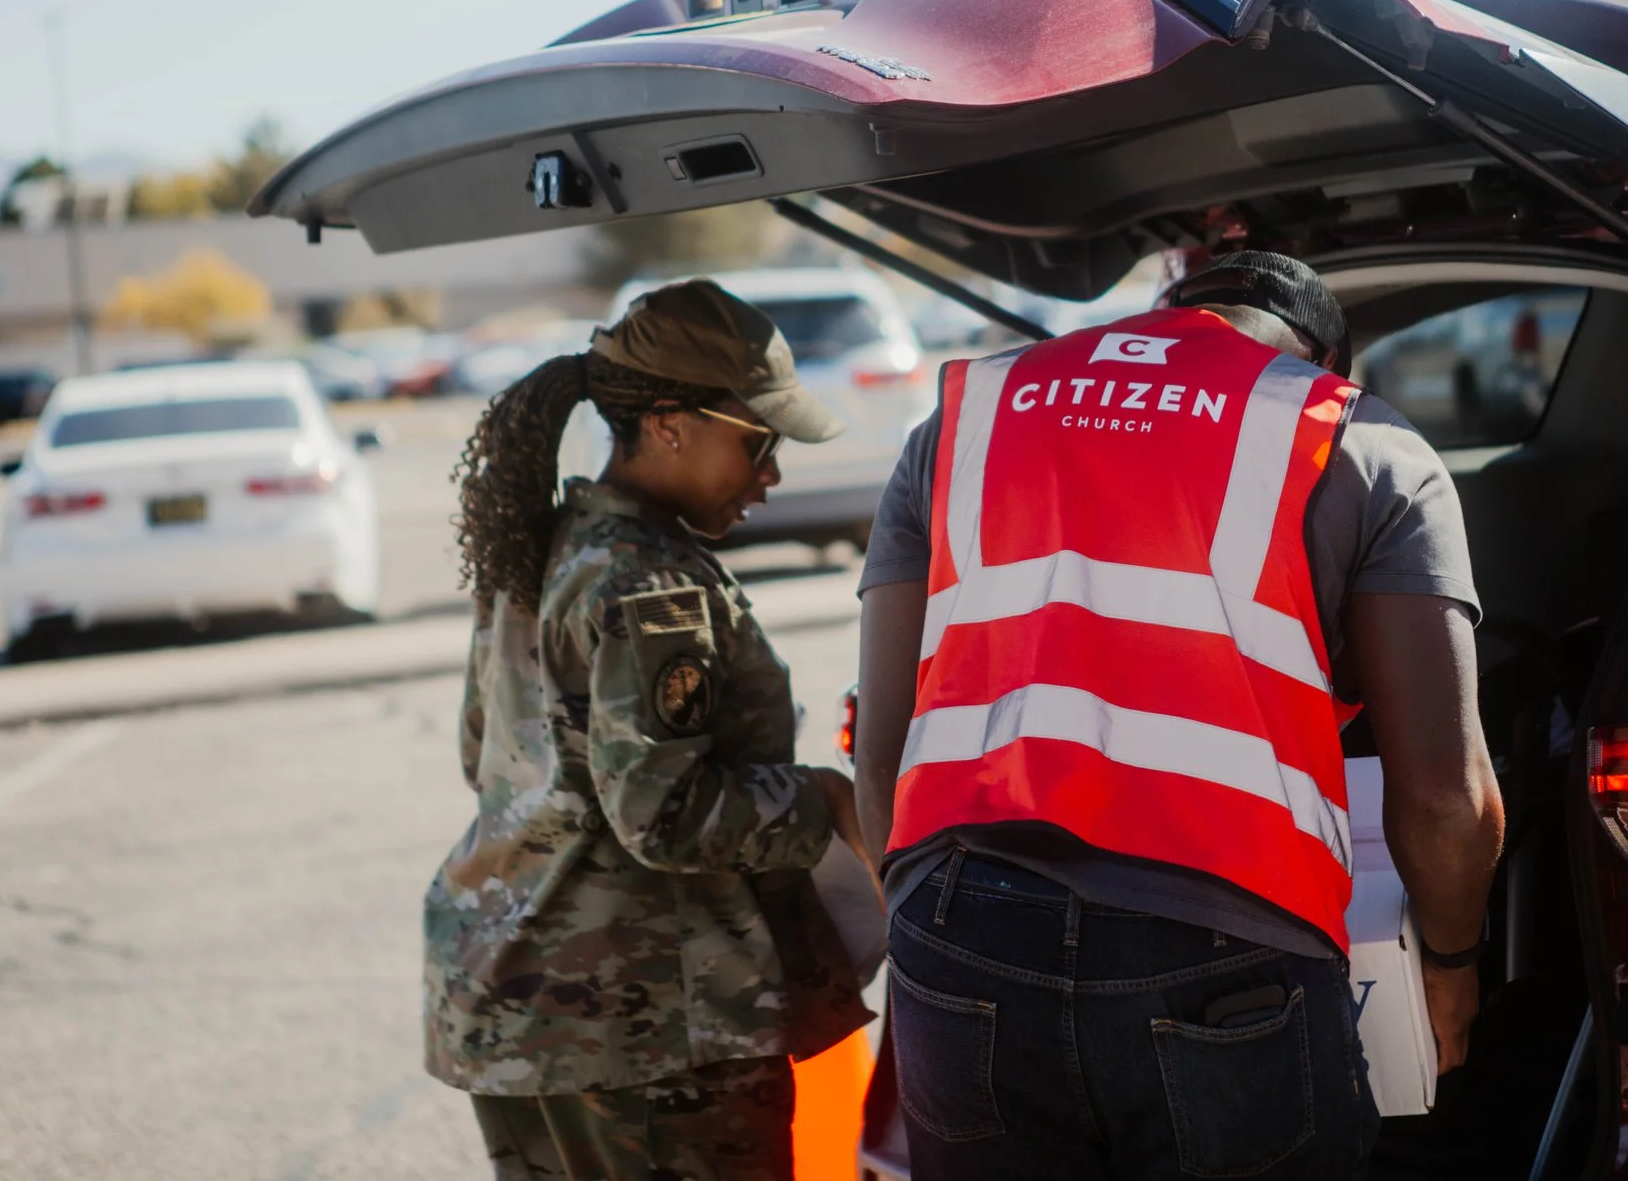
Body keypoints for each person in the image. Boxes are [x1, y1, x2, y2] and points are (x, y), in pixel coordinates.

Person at [852, 251, 1505, 1180]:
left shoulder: (963, 416)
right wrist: (1452, 964)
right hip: (1227, 947)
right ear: (1325, 359)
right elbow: (1447, 798)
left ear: (1166, 315)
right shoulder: (1360, 440)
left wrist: (935, 947)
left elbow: (883, 752)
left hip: (960, 924)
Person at [424, 279, 876, 1181]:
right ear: (671, 423)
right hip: (647, 1031)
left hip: (519, 1010)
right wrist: (827, 798)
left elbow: (485, 753)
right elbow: (667, 816)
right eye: (758, 441)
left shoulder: (543, 545)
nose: (771, 475)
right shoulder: (649, 580)